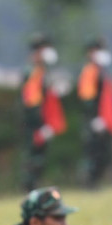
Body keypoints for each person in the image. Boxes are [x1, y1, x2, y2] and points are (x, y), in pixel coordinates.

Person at [20, 34, 67, 192]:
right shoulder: (33, 72)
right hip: (34, 125)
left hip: (41, 124)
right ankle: (28, 190)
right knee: (33, 159)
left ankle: (33, 189)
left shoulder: (42, 71)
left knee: (40, 159)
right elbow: (32, 103)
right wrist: (40, 126)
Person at [76, 39, 112, 188]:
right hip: (93, 121)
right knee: (92, 153)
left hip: (103, 120)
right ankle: (89, 183)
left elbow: (109, 96)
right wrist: (95, 118)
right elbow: (87, 99)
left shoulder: (102, 72)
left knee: (102, 153)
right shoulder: (89, 72)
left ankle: (96, 182)